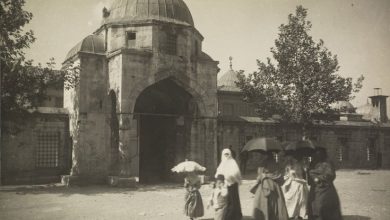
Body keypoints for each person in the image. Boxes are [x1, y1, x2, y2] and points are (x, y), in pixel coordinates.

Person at [307, 147, 342, 220]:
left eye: (319, 153)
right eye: (316, 153)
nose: (317, 154)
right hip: (315, 189)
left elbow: (331, 175)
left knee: (322, 206)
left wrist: (319, 178)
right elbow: (309, 175)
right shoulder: (313, 162)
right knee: (314, 206)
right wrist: (310, 175)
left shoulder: (327, 162)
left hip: (326, 189)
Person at [215, 148, 243, 220]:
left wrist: (228, 177)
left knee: (233, 201)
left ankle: (234, 216)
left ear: (230, 154)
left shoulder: (233, 162)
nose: (226, 156)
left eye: (228, 154)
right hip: (224, 186)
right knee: (224, 202)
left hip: (232, 185)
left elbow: (236, 173)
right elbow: (218, 174)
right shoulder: (222, 164)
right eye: (225, 154)